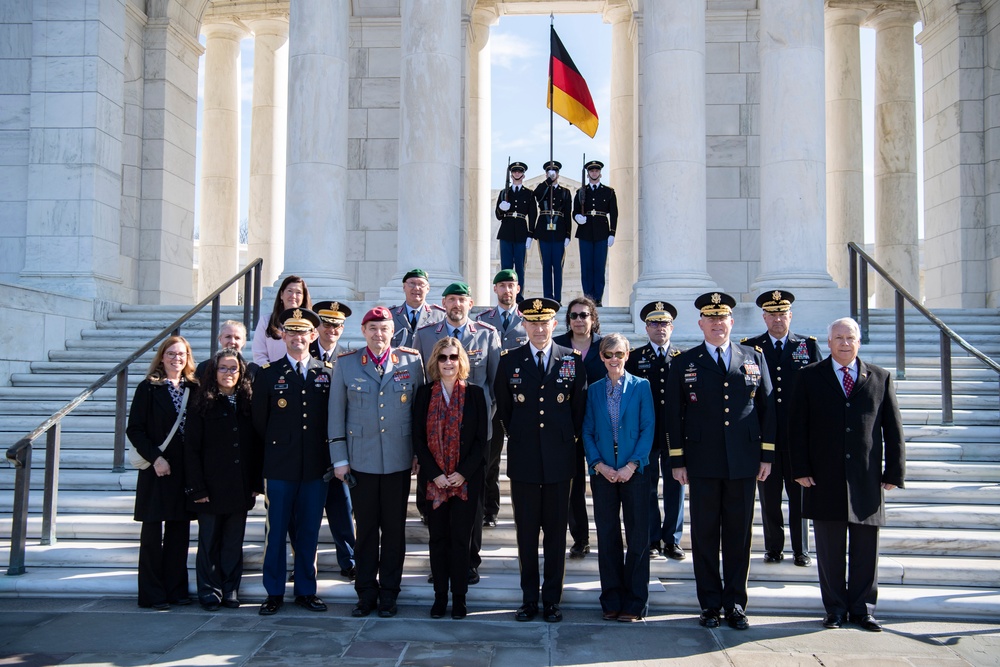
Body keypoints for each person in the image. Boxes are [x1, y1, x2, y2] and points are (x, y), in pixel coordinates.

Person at [666, 292, 776, 631]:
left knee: (739, 535)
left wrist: (767, 455)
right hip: (702, 462)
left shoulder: (753, 357)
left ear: (731, 321)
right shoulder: (685, 361)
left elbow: (768, 408)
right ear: (700, 323)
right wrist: (677, 460)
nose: (717, 323)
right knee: (704, 535)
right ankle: (710, 605)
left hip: (743, 462)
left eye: (722, 317)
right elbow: (673, 415)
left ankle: (736, 604)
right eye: (710, 318)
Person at [790, 317, 906, 632]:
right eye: (838, 337)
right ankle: (835, 609)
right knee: (829, 550)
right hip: (823, 478)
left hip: (866, 479)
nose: (844, 343)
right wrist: (799, 468)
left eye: (850, 337)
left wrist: (894, 470)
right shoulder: (810, 377)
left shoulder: (880, 378)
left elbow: (893, 430)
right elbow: (797, 426)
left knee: (866, 549)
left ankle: (863, 609)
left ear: (858, 341)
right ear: (828, 342)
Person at [328, 307, 425, 618]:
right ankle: (366, 592)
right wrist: (339, 459)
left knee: (394, 531)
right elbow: (335, 416)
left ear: (391, 331)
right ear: (363, 330)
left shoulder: (411, 361)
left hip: (398, 461)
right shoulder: (346, 364)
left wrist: (417, 454)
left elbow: (418, 414)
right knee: (367, 530)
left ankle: (390, 593)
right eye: (373, 329)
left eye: (384, 328)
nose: (379, 334)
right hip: (361, 462)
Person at [494, 297, 587, 623]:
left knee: (556, 534)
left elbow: (578, 409)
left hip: (561, 461)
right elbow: (504, 408)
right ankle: (529, 600)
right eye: (532, 322)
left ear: (553, 324)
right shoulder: (510, 360)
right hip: (524, 461)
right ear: (524, 325)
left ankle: (552, 600)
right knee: (526, 534)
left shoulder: (571, 360)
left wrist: (563, 440)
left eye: (544, 322)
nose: (538, 328)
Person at [414, 281, 500, 583]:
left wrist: (479, 425)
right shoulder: (424, 336)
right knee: (434, 504)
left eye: (462, 299)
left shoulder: (488, 335)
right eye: (451, 299)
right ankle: (439, 563)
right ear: (443, 303)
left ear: (471, 303)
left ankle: (469, 562)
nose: (456, 304)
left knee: (471, 506)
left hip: (474, 435)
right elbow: (420, 381)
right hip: (435, 436)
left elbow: (492, 385)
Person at [252, 308, 331, 616]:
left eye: (304, 332)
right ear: (283, 336)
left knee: (309, 532)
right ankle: (273, 592)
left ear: (313, 336)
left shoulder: (326, 373)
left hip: (314, 466)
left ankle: (306, 590)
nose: (298, 338)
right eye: (292, 332)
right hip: (280, 467)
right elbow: (260, 422)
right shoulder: (268, 374)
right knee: (276, 533)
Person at [743, 290, 822, 567]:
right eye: (772, 314)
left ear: (790, 315)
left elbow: (819, 391)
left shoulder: (808, 346)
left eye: (782, 313)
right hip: (765, 437)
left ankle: (801, 550)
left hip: (797, 436)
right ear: (764, 317)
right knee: (769, 496)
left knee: (799, 494)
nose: (778, 319)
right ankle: (774, 548)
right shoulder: (751, 348)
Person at [413, 339, 489, 620]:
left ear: (461, 361)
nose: (448, 362)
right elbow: (418, 439)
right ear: (436, 361)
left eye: (453, 357)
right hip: (434, 483)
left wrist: (461, 474)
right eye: (443, 357)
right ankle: (440, 597)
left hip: (465, 482)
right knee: (438, 539)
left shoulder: (476, 394)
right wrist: (435, 474)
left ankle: (459, 598)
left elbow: (482, 441)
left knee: (461, 540)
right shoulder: (423, 395)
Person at [582, 333, 655, 622]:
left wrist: (632, 465)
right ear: (601, 357)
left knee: (637, 537)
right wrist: (598, 464)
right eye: (608, 354)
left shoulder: (641, 386)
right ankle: (611, 599)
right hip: (603, 474)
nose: (614, 360)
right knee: (608, 536)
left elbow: (648, 428)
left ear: (627, 356)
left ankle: (635, 602)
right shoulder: (595, 389)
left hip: (633, 473)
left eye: (620, 354)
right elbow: (587, 430)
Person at [184, 347, 259, 611]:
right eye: (223, 368)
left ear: (241, 374)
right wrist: (196, 487)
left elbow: (254, 447)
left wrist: (254, 484)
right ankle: (209, 590)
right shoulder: (201, 402)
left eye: (234, 369)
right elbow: (191, 449)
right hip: (210, 487)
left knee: (232, 543)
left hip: (239, 486)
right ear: (214, 372)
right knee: (209, 542)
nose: (229, 373)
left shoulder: (247, 401)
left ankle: (230, 589)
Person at [126, 335, 196, 610]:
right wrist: (156, 458)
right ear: (162, 357)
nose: (176, 359)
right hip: (156, 470)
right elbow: (135, 429)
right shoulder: (149, 388)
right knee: (153, 535)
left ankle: (177, 590)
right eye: (171, 354)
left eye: (181, 354)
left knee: (179, 533)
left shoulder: (194, 387)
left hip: (184, 470)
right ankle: (153, 594)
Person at [624, 301, 686, 561]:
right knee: (647, 487)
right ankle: (651, 538)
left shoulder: (683, 359)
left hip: (674, 434)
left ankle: (672, 540)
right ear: (646, 328)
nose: (660, 328)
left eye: (664, 323)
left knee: (675, 486)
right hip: (646, 435)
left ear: (672, 327)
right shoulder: (636, 358)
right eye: (654, 323)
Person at [553, 296, 605, 559]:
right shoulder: (557, 345)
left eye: (584, 315)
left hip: (600, 427)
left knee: (602, 484)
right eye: (573, 315)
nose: (579, 320)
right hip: (568, 427)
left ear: (593, 319)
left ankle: (606, 536)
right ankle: (580, 538)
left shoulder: (605, 346)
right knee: (573, 487)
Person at [475, 269, 528, 527]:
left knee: (523, 457)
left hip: (522, 401)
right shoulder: (482, 321)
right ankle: (489, 510)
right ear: (495, 289)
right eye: (502, 286)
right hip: (494, 401)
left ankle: (525, 511)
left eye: (511, 286)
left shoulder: (528, 319)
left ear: (518, 289)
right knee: (490, 457)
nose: (507, 290)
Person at [308, 300, 356, 580]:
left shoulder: (348, 358)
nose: (332, 329)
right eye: (326, 324)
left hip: (338, 449)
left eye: (337, 325)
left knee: (342, 509)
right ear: (317, 327)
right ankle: (304, 562)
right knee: (307, 514)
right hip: (311, 447)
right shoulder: (303, 353)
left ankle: (348, 560)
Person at [572, 160, 618, 306]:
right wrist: (577, 217)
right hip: (585, 232)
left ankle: (597, 298)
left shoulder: (608, 192)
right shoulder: (581, 192)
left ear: (600, 173)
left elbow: (614, 213)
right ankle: (588, 297)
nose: (594, 173)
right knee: (586, 267)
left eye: (596, 171)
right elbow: (575, 211)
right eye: (591, 171)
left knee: (599, 266)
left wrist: (612, 232)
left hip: (601, 231)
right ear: (588, 174)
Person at [495, 161, 537, 301]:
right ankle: (504, 296)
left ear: (523, 175)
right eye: (515, 172)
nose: (517, 174)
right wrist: (502, 208)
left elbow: (532, 215)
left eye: (519, 172)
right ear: (511, 174)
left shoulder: (529, 194)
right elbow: (498, 215)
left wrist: (531, 234)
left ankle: (518, 296)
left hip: (521, 232)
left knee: (519, 267)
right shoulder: (504, 192)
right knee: (506, 266)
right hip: (506, 231)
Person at [532, 161, 574, 303]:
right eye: (549, 172)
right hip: (544, 231)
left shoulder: (565, 192)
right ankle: (548, 297)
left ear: (558, 174)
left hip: (559, 231)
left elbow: (567, 213)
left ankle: (557, 298)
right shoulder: (543, 189)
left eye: (554, 172)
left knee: (557, 266)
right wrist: (547, 182)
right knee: (546, 266)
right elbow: (536, 195)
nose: (552, 174)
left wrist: (568, 233)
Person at [252, 275, 312, 366]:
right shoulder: (266, 321)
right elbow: (259, 355)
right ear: (281, 295)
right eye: (289, 291)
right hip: (273, 376)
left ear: (304, 297)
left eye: (298, 292)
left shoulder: (311, 324)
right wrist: (273, 374)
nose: (293, 296)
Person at [389, 268, 446, 348]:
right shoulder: (391, 315)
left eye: (421, 284)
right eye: (412, 283)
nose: (416, 288)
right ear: (404, 287)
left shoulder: (440, 316)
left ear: (428, 288)